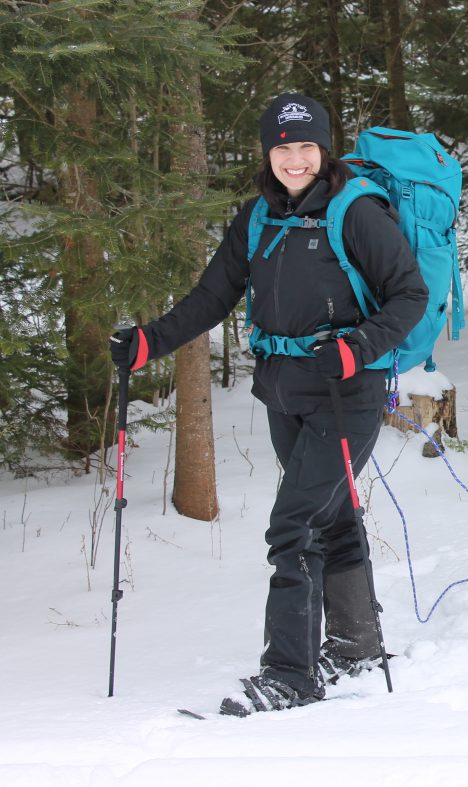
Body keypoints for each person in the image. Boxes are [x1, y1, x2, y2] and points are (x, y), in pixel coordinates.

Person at [108, 94, 428, 715]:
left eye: (306, 146)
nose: (296, 159)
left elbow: (407, 294)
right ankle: (357, 645)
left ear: (324, 149)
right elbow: (212, 296)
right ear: (268, 153)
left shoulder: (356, 212)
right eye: (283, 148)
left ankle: (291, 673)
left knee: (293, 525)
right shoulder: (257, 218)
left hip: (346, 394)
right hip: (284, 393)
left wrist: (360, 346)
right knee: (329, 517)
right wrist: (151, 341)